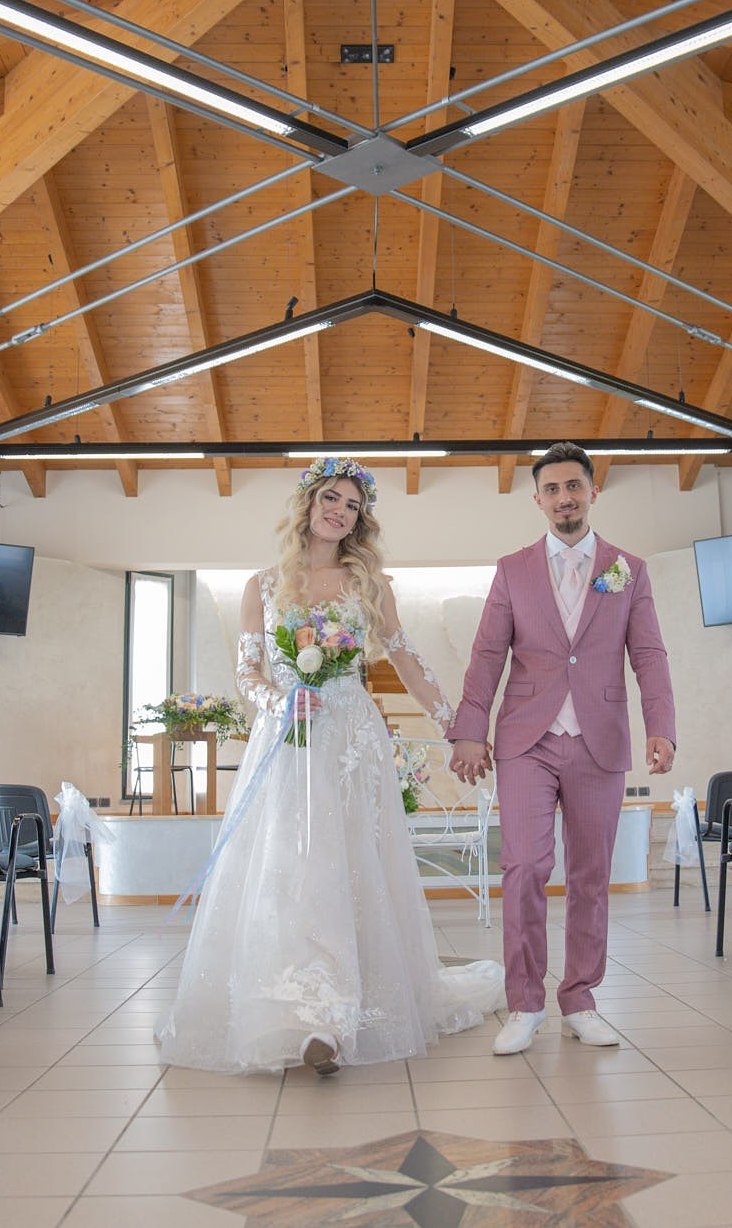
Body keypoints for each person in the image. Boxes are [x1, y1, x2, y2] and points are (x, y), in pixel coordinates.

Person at [155, 457, 504, 1075]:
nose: (340, 511)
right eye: (331, 499)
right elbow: (247, 672)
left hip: (350, 743)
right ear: (308, 504)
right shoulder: (262, 585)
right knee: (290, 866)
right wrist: (277, 701)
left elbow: (408, 661)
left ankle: (339, 1015)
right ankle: (295, 1010)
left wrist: (458, 727)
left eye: (352, 505)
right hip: (287, 742)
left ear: (359, 520)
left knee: (352, 863)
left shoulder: (370, 585)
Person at [449, 442, 676, 1056]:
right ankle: (525, 1003)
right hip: (526, 740)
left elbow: (649, 654)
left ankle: (580, 999)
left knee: (591, 874)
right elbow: (487, 654)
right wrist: (469, 729)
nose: (564, 498)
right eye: (552, 489)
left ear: (592, 492)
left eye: (574, 486)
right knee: (525, 866)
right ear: (538, 499)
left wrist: (661, 725)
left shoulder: (628, 569)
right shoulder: (512, 569)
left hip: (601, 739)